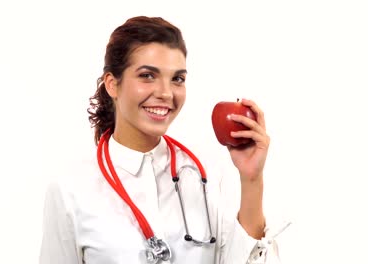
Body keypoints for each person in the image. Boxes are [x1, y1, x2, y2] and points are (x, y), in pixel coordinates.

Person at [40, 16, 288, 264]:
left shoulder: (208, 176)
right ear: (112, 84)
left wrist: (252, 179)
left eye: (177, 79)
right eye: (147, 75)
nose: (166, 93)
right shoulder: (71, 188)